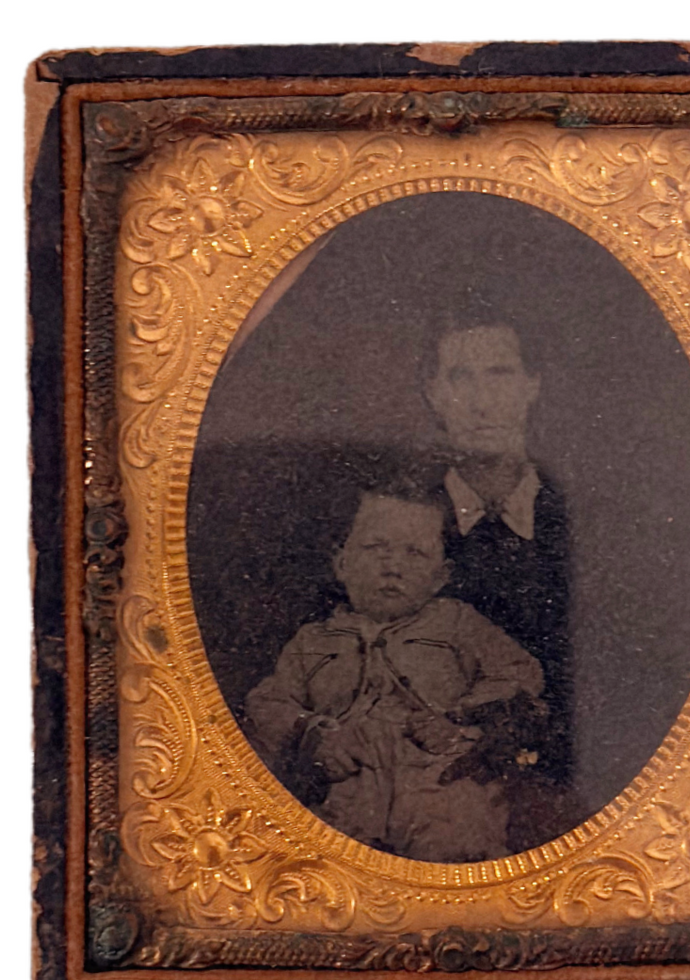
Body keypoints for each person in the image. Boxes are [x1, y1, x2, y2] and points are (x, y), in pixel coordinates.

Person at [244, 487, 544, 861]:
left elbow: (520, 673)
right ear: (342, 565)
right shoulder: (313, 640)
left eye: (414, 552)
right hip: (345, 784)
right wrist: (314, 735)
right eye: (375, 548)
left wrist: (460, 718)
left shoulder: (457, 622)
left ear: (440, 576)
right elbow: (268, 702)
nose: (393, 566)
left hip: (440, 778)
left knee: (455, 848)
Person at [422, 310, 575, 829]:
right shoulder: (401, 527)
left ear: (532, 387)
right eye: (461, 378)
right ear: (434, 395)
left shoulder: (582, 523)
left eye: (500, 375)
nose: (482, 401)